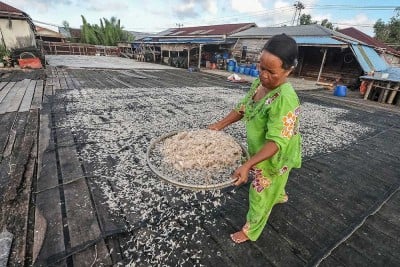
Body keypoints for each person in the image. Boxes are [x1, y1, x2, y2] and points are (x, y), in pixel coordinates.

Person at [208, 34, 302, 243]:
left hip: (274, 153)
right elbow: (243, 108)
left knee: (260, 188)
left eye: (272, 72)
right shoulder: (260, 85)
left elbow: (276, 142)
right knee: (277, 183)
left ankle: (251, 229)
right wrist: (218, 126)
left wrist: (248, 165)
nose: (263, 75)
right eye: (261, 67)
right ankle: (279, 196)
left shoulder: (285, 99)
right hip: (262, 146)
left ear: (289, 70)